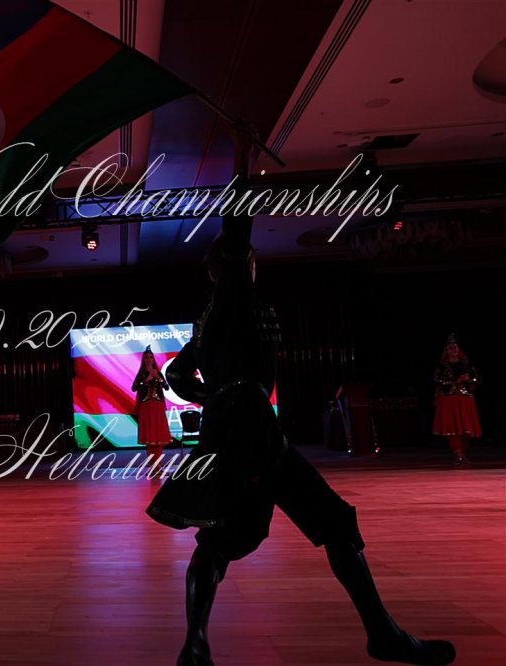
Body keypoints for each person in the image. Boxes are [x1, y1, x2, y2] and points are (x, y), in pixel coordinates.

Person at [146, 126, 455, 666]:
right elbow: (236, 223)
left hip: (241, 431)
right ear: (232, 268)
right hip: (251, 434)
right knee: (316, 526)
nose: (253, 261)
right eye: (245, 258)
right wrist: (241, 158)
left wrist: (211, 398)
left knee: (232, 539)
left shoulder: (213, 318)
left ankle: (197, 646)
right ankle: (379, 636)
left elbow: (175, 371)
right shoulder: (233, 298)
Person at [432, 335, 481, 464]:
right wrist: (456, 381)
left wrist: (469, 380)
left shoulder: (466, 364)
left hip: (465, 398)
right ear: (446, 351)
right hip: (449, 399)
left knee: (465, 427)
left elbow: (476, 378)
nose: (453, 350)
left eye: (455, 347)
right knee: (453, 426)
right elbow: (437, 381)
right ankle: (457, 453)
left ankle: (463, 453)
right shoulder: (442, 367)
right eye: (450, 348)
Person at [132, 345, 173, 464]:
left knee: (159, 435)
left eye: (151, 357)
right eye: (147, 357)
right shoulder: (141, 374)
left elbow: (166, 387)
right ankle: (153, 465)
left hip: (157, 406)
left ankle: (158, 465)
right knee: (150, 436)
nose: (149, 359)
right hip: (145, 406)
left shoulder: (158, 372)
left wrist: (158, 378)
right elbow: (134, 388)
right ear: (143, 359)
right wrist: (146, 380)